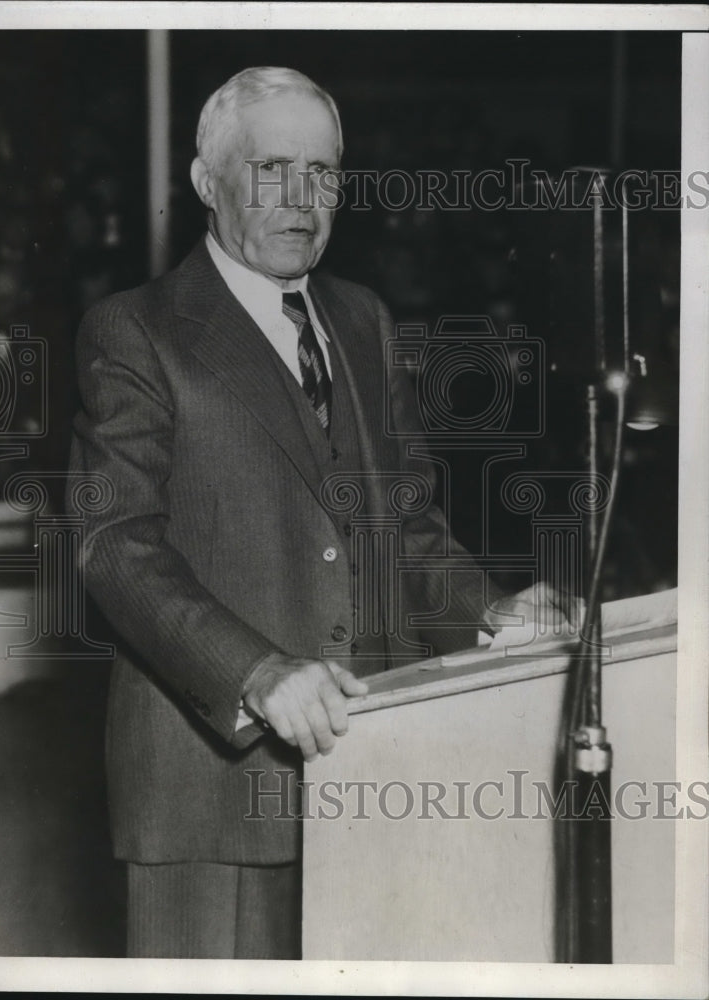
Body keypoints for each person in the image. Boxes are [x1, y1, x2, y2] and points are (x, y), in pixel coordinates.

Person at [68, 66, 572, 960]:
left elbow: (402, 524)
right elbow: (114, 544)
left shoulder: (362, 319)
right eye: (270, 169)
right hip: (213, 790)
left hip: (374, 766)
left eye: (324, 172)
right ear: (205, 182)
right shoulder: (137, 328)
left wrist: (485, 612)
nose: (303, 198)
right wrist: (256, 673)